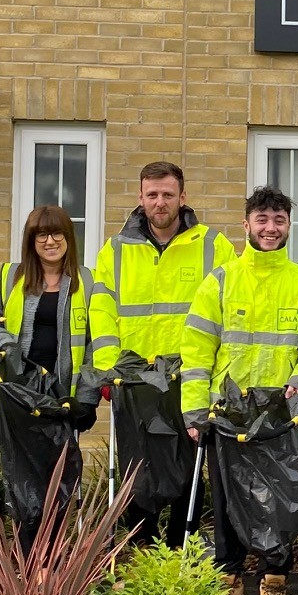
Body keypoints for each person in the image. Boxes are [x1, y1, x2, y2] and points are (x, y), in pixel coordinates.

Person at [179, 186, 298, 595]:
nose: (271, 229)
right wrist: (195, 411)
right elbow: (196, 349)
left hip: (279, 414)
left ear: (290, 225)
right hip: (226, 414)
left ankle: (273, 589)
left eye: (279, 221)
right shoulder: (221, 281)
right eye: (262, 220)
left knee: (280, 504)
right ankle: (230, 582)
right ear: (246, 224)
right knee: (228, 501)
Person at [89, 162, 233, 546]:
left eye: (168, 194)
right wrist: (107, 367)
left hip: (189, 376)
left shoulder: (212, 245)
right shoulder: (116, 249)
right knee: (139, 468)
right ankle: (141, 545)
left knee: (188, 464)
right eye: (152, 195)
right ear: (140, 197)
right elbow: (101, 309)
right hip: (134, 378)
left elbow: (228, 308)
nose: (160, 202)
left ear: (183, 198)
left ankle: (178, 546)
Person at [0, 205, 98, 543]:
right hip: (17, 397)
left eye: (57, 233)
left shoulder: (88, 282)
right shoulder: (10, 277)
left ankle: (52, 563)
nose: (50, 241)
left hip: (63, 399)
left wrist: (86, 397)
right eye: (41, 234)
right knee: (22, 481)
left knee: (59, 480)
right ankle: (29, 565)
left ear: (69, 238)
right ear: (31, 240)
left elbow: (96, 344)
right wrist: (6, 349)